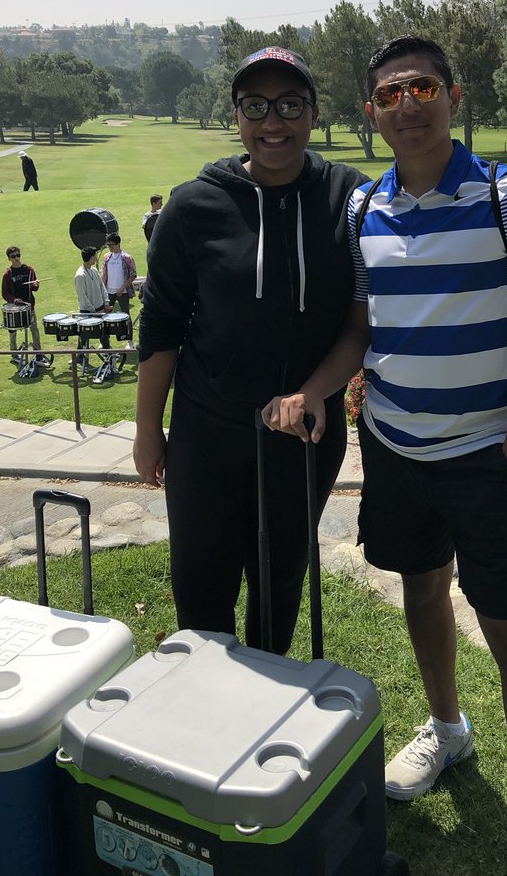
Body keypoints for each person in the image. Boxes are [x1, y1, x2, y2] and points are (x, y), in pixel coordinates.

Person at [263, 36, 507, 876]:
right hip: (395, 447)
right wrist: (318, 390)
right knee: (423, 588)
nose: (407, 105)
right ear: (370, 114)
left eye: (422, 87)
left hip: (487, 459)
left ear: (453, 96)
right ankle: (447, 731)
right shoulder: (367, 210)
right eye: (390, 94)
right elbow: (363, 333)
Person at [133, 46, 367, 656]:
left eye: (290, 105)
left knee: (278, 586)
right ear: (236, 116)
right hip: (206, 432)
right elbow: (160, 328)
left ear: (313, 114)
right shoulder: (194, 206)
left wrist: (313, 390)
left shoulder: (351, 198)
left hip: (301, 435)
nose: (273, 123)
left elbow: (361, 322)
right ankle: (204, 718)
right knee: (201, 589)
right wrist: (146, 431)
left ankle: (265, 711)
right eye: (255, 106)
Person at [0, 245, 44, 361]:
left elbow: (34, 288)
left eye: (18, 255)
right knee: (12, 331)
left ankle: (38, 353)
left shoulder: (29, 270)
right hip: (15, 308)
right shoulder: (7, 274)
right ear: (9, 258)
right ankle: (14, 354)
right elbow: (5, 293)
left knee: (34, 329)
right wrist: (14, 300)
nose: (16, 258)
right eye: (13, 256)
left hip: (29, 306)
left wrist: (36, 284)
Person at [74, 246, 110, 374]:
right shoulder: (80, 275)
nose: (96, 257)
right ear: (90, 257)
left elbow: (102, 287)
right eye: (95, 255)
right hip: (88, 313)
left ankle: (108, 356)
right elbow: (82, 297)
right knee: (84, 337)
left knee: (104, 335)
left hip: (99, 309)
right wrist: (94, 310)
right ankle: (80, 357)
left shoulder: (94, 270)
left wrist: (105, 302)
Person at [101, 232, 137, 319]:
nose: (109, 247)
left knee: (126, 315)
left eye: (111, 245)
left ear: (118, 244)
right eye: (108, 245)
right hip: (109, 292)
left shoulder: (127, 258)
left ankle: (127, 332)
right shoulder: (106, 257)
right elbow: (103, 273)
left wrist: (122, 288)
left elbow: (133, 275)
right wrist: (102, 289)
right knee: (105, 316)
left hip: (123, 292)